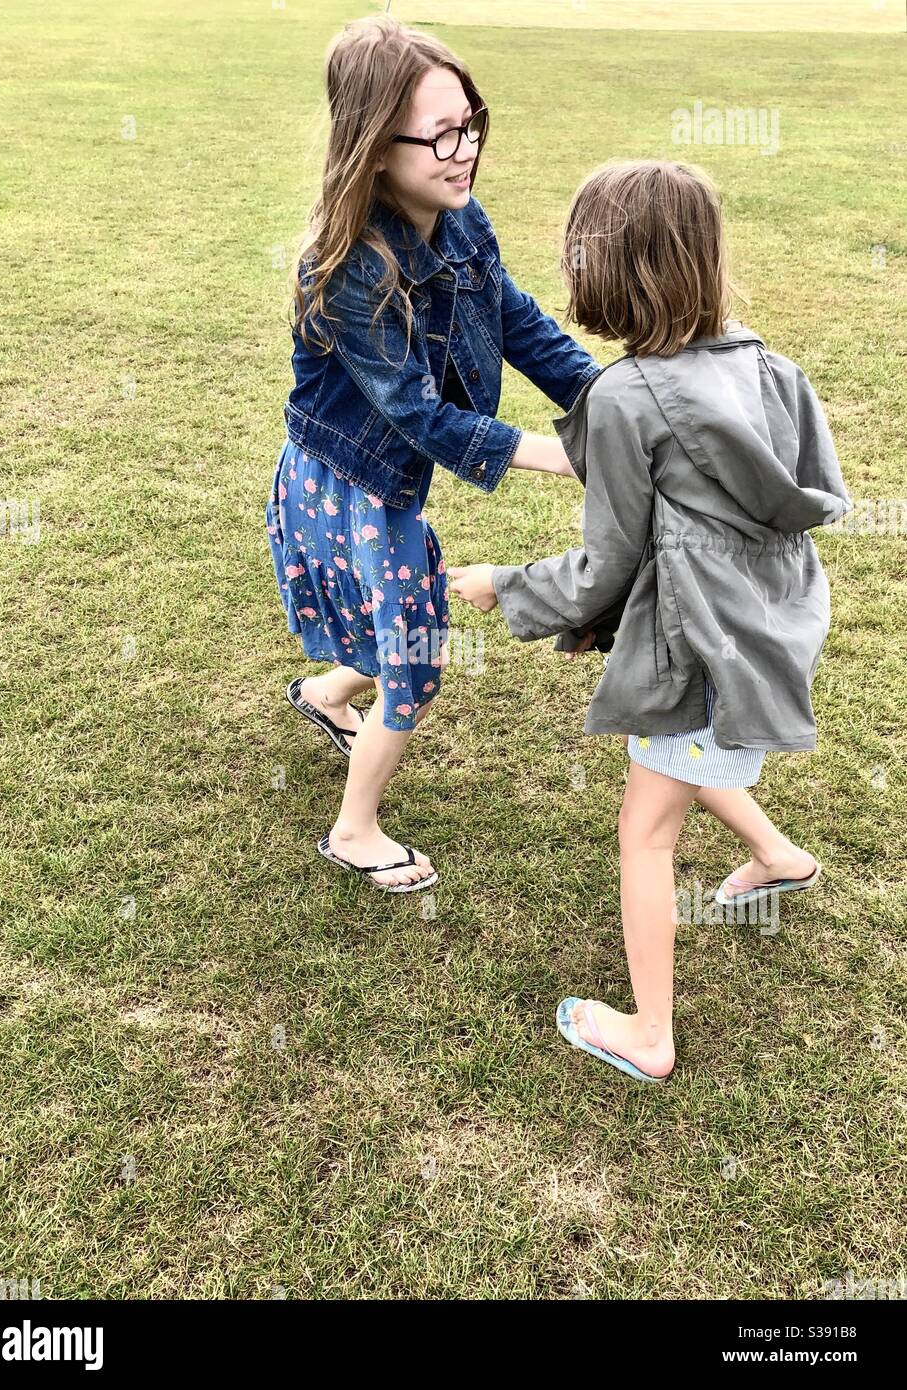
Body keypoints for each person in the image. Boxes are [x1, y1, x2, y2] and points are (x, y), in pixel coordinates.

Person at [450, 159, 852, 1080]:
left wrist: (506, 587)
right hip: (772, 629)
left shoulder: (627, 397)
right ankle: (778, 857)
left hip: (704, 651)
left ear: (607, 270)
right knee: (687, 756)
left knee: (645, 828)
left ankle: (649, 1034)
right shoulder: (766, 366)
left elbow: (607, 565)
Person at [267, 14, 600, 891]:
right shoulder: (349, 270)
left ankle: (329, 694)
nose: (465, 150)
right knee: (415, 654)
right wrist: (564, 456)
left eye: (472, 123)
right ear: (375, 146)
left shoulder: (460, 217)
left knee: (394, 622)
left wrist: (606, 403)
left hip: (381, 480)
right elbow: (417, 413)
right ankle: (353, 829)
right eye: (441, 133)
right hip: (346, 480)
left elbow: (518, 319)